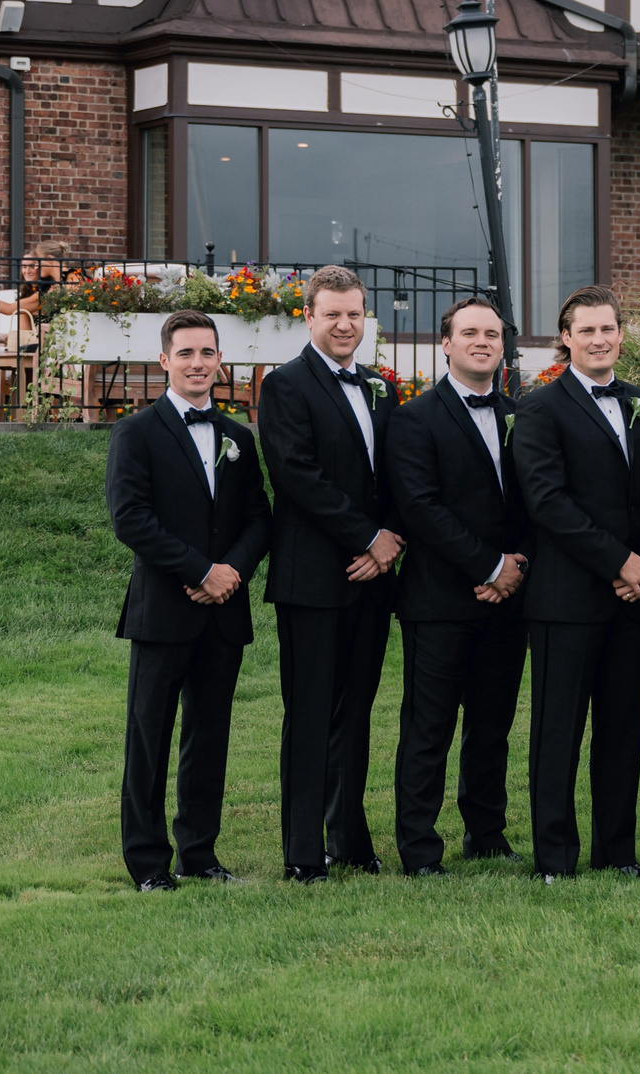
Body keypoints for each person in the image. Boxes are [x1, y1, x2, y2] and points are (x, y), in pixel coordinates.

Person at [510, 286, 640, 881]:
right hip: (566, 597)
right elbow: (548, 502)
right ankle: (554, 857)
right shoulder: (539, 408)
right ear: (566, 338)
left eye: (607, 329)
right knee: (558, 731)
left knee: (622, 729)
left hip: (634, 599)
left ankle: (618, 852)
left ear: (621, 335)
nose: (599, 339)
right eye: (586, 331)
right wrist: (619, 562)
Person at [103, 311, 271, 891]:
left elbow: (258, 518)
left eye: (207, 353)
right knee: (149, 738)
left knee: (209, 736)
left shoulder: (238, 439)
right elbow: (131, 519)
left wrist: (230, 573)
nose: (197, 363)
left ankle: (198, 851)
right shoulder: (136, 432)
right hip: (163, 611)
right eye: (186, 354)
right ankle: (148, 862)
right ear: (165, 362)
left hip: (224, 612)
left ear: (220, 361)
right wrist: (200, 569)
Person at [257, 265, 404, 882]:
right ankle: (301, 850)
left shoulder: (380, 388)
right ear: (309, 317)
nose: (346, 325)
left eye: (355, 314)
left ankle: (348, 836)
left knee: (357, 709)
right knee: (312, 711)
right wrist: (368, 535)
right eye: (332, 314)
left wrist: (388, 544)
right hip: (313, 579)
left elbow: (394, 473)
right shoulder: (285, 387)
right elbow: (297, 476)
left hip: (373, 578)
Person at [386, 297, 530, 877]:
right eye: (469, 333)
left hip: (508, 598)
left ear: (503, 345)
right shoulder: (413, 418)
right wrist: (488, 567)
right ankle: (419, 848)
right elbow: (420, 507)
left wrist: (516, 566)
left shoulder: (524, 415)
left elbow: (535, 500)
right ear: (445, 344)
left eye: (492, 334)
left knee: (492, 723)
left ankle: (486, 832)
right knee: (429, 727)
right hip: (439, 599)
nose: (482, 342)